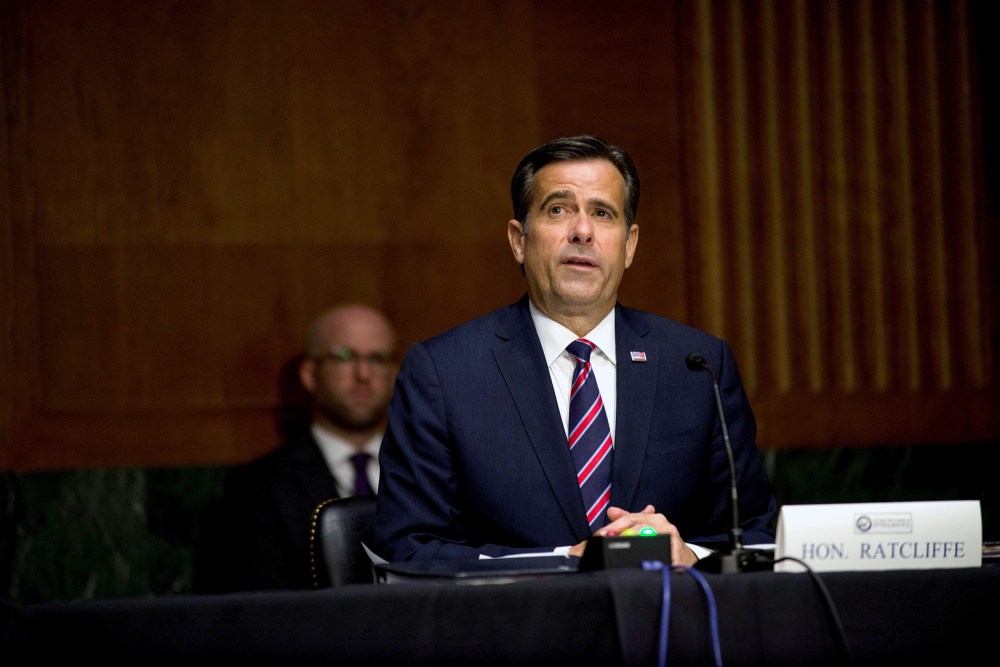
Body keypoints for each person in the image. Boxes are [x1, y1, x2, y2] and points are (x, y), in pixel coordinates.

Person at [371, 135, 776, 567]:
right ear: (519, 240)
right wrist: (564, 560)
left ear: (630, 245)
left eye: (603, 213)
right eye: (558, 209)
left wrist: (689, 554)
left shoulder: (697, 365)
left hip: (666, 625)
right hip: (518, 628)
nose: (582, 231)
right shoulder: (444, 373)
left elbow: (755, 533)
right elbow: (409, 548)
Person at [196, 303, 398, 592]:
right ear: (309, 374)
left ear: (394, 373)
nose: (364, 373)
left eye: (377, 358)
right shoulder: (258, 487)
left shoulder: (435, 475)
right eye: (344, 355)